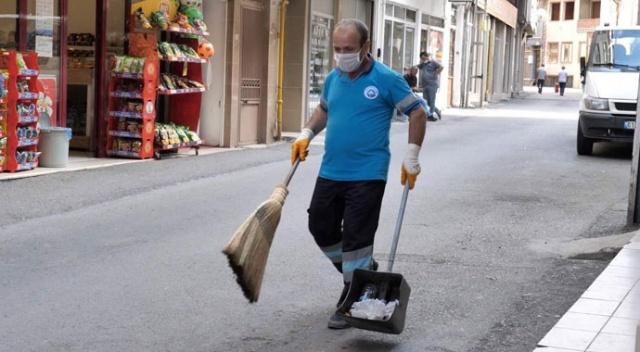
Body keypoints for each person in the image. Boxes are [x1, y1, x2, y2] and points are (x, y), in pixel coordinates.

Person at [290, 18, 427, 330]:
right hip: (331, 170)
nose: (342, 55)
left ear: (365, 47)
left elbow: (416, 111)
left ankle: (354, 297)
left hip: (367, 173)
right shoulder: (333, 78)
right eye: (337, 49)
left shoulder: (386, 79)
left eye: (348, 49)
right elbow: (324, 109)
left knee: (356, 237)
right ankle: (363, 273)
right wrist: (306, 133)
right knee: (320, 227)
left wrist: (412, 155)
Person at [416, 52, 443, 120]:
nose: (423, 59)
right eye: (421, 59)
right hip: (425, 85)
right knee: (426, 102)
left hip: (432, 84)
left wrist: (436, 73)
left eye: (423, 58)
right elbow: (416, 66)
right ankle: (437, 110)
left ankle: (430, 116)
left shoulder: (433, 62)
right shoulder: (424, 64)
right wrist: (408, 68)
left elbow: (441, 67)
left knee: (431, 101)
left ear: (427, 56)